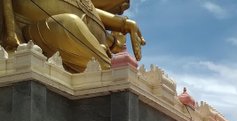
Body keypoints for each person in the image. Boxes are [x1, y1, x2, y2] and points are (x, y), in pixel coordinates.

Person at [1, 0, 145, 72]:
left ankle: (109, 65)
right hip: (36, 35)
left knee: (72, 23)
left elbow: (88, 9)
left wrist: (124, 24)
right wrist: (11, 34)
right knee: (69, 23)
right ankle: (111, 69)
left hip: (87, 39)